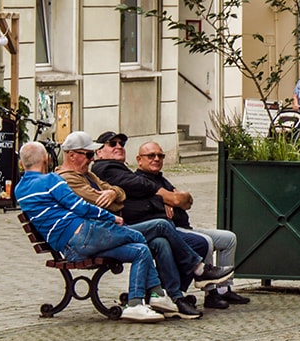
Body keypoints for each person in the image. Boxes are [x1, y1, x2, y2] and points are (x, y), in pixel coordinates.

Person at [15, 141, 177, 323]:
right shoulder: (51, 180)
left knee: (140, 249)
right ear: (46, 159)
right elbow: (80, 206)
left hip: (70, 250)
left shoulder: (19, 189)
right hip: (83, 235)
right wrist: (111, 218)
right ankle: (156, 294)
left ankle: (136, 301)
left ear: (22, 163)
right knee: (137, 235)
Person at [56, 130, 213, 318]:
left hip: (106, 233)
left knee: (160, 243)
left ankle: (173, 297)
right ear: (71, 155)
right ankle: (197, 268)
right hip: (94, 238)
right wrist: (114, 196)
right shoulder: (68, 178)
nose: (91, 159)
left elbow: (119, 193)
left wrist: (113, 193)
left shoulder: (88, 175)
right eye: (89, 155)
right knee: (161, 226)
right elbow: (100, 200)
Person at [92, 133, 243, 309]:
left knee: (226, 238)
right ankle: (189, 285)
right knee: (198, 241)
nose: (119, 146)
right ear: (99, 152)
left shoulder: (145, 175)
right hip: (127, 229)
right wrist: (164, 197)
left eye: (121, 143)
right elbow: (137, 192)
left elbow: (184, 202)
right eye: (112, 144)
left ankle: (183, 292)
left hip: (166, 226)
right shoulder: (107, 169)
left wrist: (175, 198)